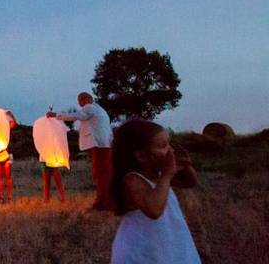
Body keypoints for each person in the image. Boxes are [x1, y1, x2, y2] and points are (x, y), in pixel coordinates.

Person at [109, 118, 201, 263]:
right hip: (143, 249)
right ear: (142, 156)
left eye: (169, 143)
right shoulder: (133, 179)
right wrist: (166, 175)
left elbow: (190, 182)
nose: (170, 149)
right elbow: (154, 210)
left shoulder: (159, 174)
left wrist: (186, 165)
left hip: (167, 241)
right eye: (163, 146)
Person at [49, 92, 113, 211]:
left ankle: (102, 202)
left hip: (98, 144)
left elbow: (78, 116)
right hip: (105, 144)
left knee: (99, 173)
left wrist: (56, 115)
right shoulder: (100, 110)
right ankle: (106, 200)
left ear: (87, 99)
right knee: (104, 173)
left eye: (80, 100)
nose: (79, 103)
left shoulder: (89, 108)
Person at [0, 110, 17, 204]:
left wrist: (10, 114)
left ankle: (9, 197)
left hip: (7, 153)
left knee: (8, 176)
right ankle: (1, 198)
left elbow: (14, 123)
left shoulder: (6, 127)